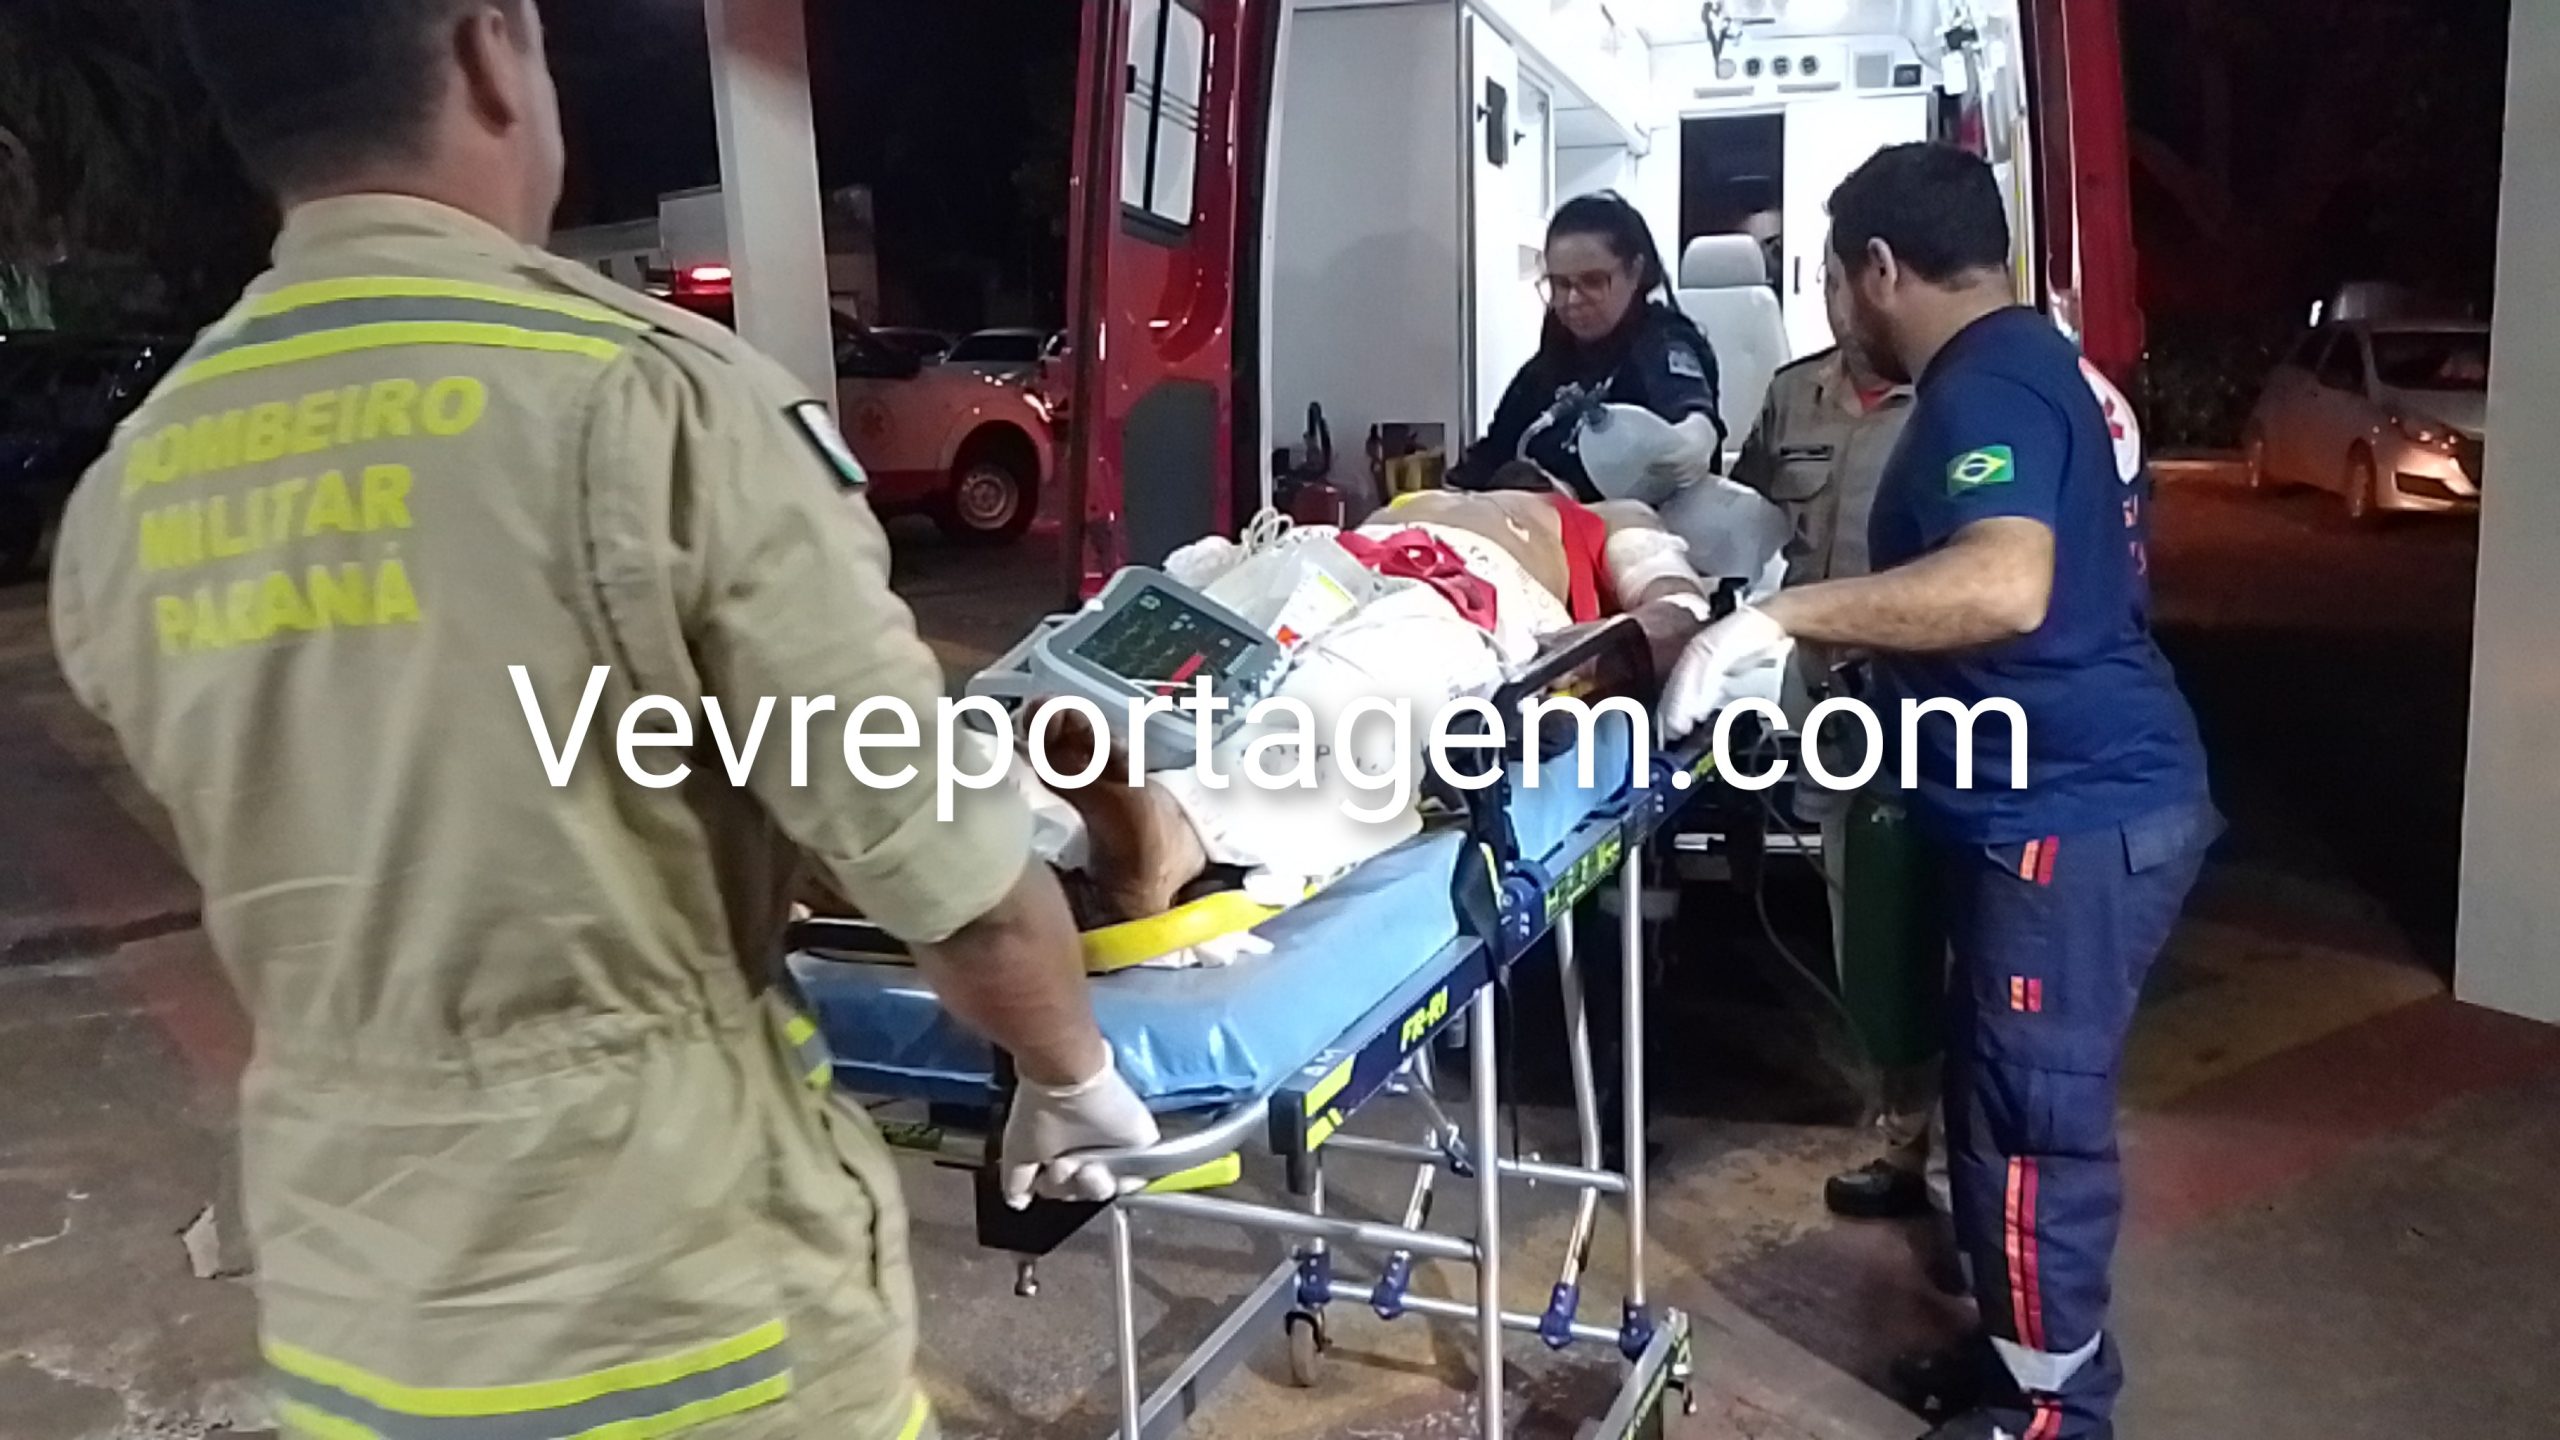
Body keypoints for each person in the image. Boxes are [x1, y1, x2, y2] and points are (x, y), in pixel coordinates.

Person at [47, 4, 1154, 1437]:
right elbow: (953, 880)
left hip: (354, 1330)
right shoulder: (655, 408)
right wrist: (1070, 1071)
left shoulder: (134, 489)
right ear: (487, 51)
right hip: (690, 1325)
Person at [1659, 143, 2217, 1440]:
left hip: (2066, 810)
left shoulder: (1986, 387)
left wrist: (1780, 618)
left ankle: (2053, 1416)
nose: (1835, 308)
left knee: (2031, 1125)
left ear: (1878, 268)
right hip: (2050, 795)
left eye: (1834, 277)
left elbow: (2004, 583)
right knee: (1991, 1096)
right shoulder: (2032, 366)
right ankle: (2019, 1361)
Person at [1732, 261, 1947, 1236]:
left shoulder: (1951, 398)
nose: (1838, 301)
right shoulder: (1794, 397)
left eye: (1848, 279)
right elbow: (1746, 518)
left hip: (1931, 701)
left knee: (1947, 924)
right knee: (1858, 919)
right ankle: (1899, 1135)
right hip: (1827, 701)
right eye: (1824, 282)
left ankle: (1967, 1147)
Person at [1450, 192, 1727, 503]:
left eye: (1593, 281)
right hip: (1535, 522)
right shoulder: (1551, 361)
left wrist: (1695, 438)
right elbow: (1491, 454)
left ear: (1635, 272)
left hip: (1634, 526)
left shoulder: (1662, 344)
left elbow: (1692, 414)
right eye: (1560, 284)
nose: (1572, 300)